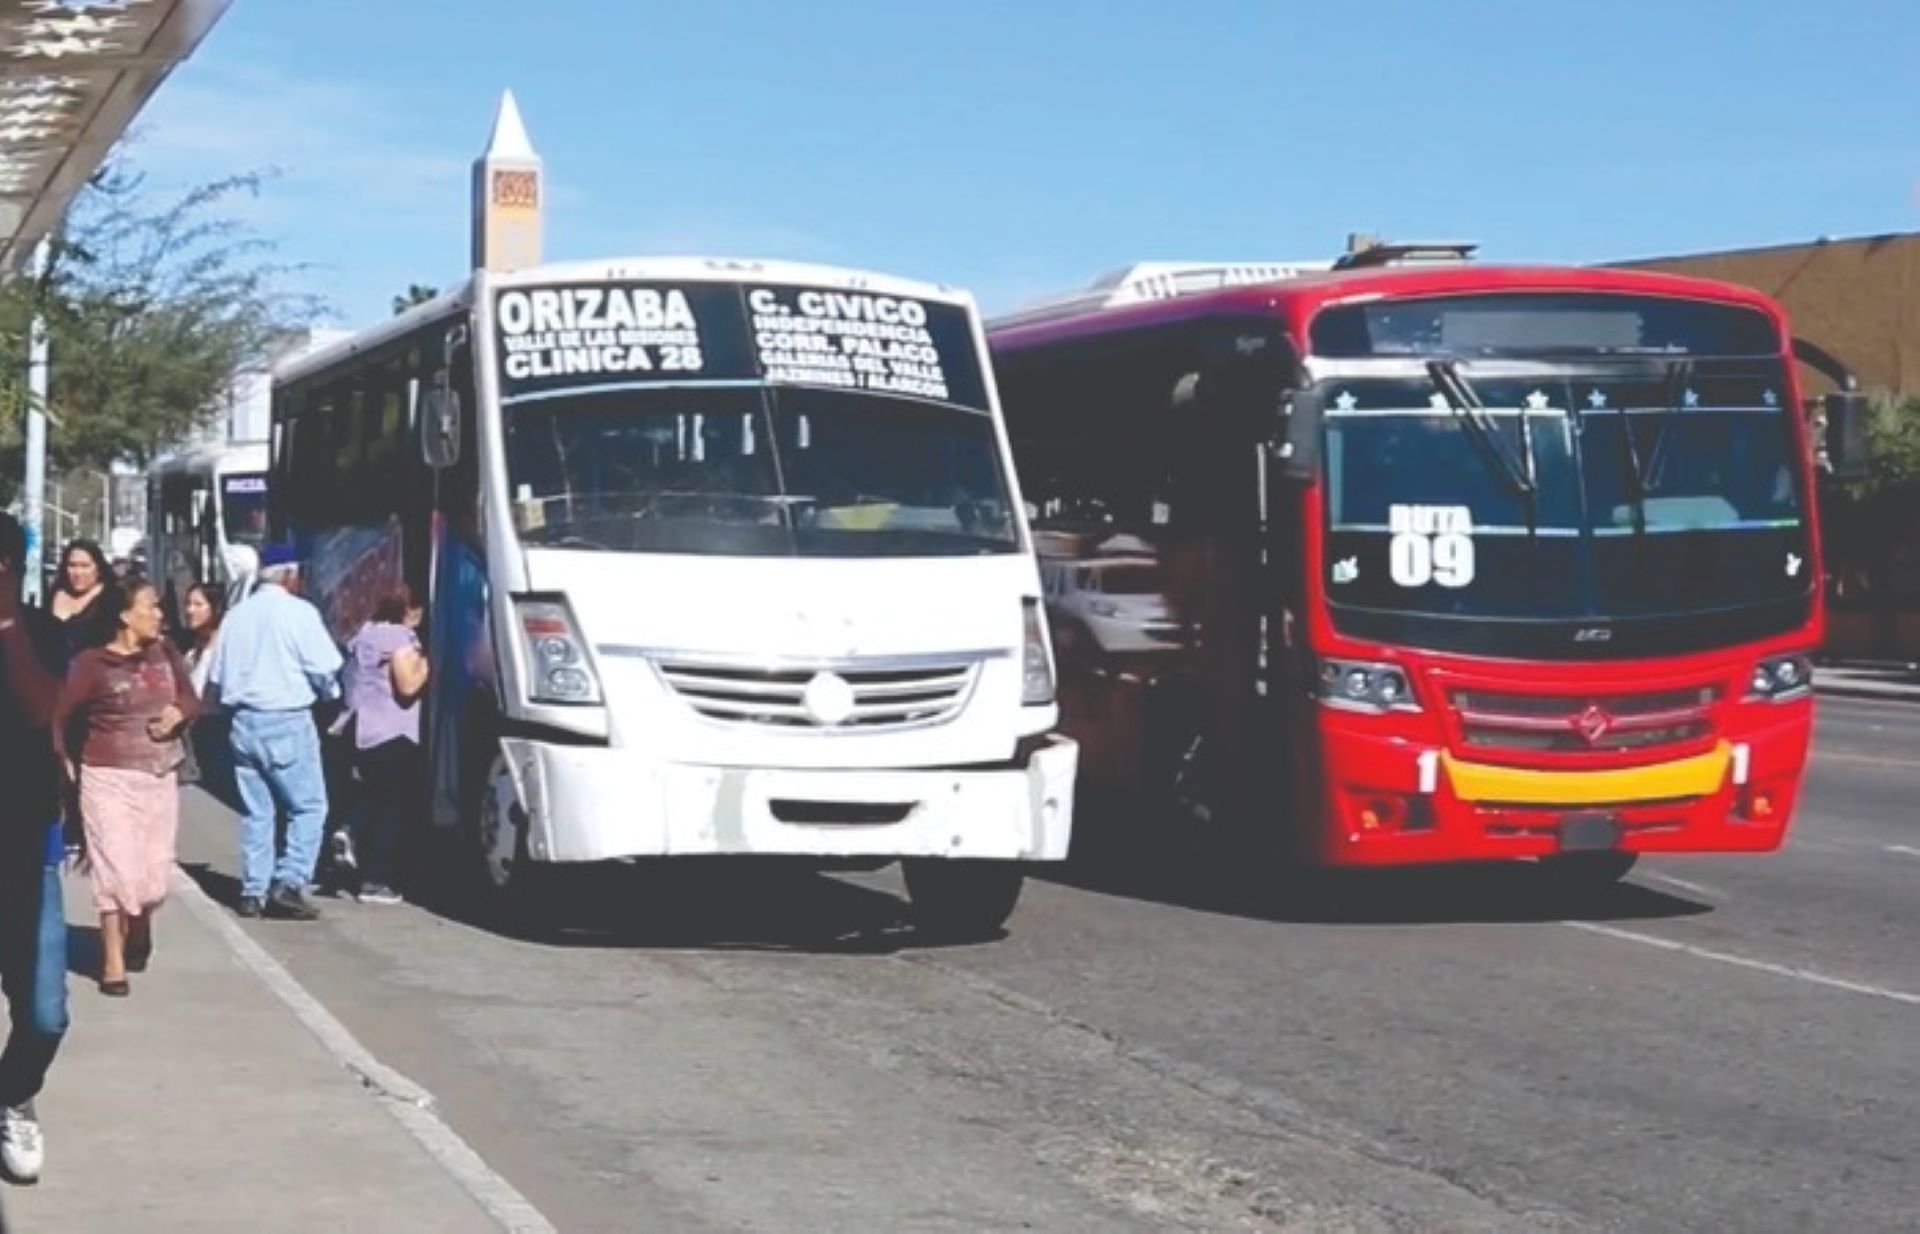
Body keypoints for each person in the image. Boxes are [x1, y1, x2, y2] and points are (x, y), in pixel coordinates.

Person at [52, 581, 198, 996]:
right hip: (106, 777)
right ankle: (112, 959)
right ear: (124, 615)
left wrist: (177, 714)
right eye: (150, 608)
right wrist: (63, 764)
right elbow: (58, 715)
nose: (159, 616)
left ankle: (141, 926)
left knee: (154, 876)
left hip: (159, 776)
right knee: (115, 870)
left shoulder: (166, 653)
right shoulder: (91, 664)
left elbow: (191, 698)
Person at [204, 545, 342, 921]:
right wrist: (331, 695)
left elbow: (216, 676)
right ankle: (290, 882)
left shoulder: (236, 616)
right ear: (291, 575)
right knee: (309, 806)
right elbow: (325, 666)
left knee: (257, 812)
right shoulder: (299, 613)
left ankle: (253, 890)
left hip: (242, 722)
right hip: (286, 719)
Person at [0, 513, 70, 1184]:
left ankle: (12, 1094)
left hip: (26, 853)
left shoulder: (42, 633)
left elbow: (39, 708)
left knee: (46, 1014)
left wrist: (6, 625)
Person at [339, 585, 429, 905]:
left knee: (369, 795)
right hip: (394, 732)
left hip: (361, 729)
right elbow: (407, 685)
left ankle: (349, 830)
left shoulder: (366, 633)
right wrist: (427, 664)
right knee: (390, 808)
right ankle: (375, 881)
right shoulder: (400, 639)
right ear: (410, 611)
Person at [48, 539, 116, 654]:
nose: (78, 573)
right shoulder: (54, 593)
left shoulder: (110, 598)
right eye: (72, 565)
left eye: (85, 566)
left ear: (98, 568)